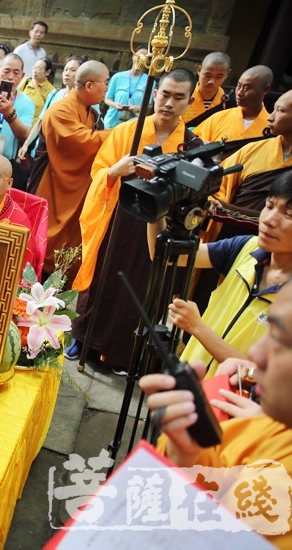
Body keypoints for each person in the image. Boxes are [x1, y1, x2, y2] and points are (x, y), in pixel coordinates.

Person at [139, 267, 292, 549]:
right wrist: (188, 450)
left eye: (282, 341)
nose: (253, 355)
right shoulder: (275, 426)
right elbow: (216, 482)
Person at [68, 69, 201, 375]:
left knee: (140, 286)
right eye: (164, 94)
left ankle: (122, 353)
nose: (169, 102)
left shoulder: (191, 145)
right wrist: (116, 170)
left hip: (157, 226)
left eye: (178, 97)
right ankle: (85, 336)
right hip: (119, 217)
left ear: (189, 101)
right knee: (104, 276)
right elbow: (99, 172)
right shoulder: (128, 130)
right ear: (155, 94)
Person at [149, 167, 292, 379]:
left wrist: (198, 328)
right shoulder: (245, 248)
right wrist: (154, 207)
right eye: (269, 205)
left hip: (234, 409)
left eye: (288, 214)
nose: (269, 219)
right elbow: (167, 255)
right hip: (187, 392)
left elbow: (270, 378)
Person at [26, 60, 109, 273]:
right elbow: (82, 142)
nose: (107, 88)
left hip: (74, 190)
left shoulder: (91, 113)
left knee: (67, 251)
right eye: (105, 83)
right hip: (53, 185)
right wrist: (120, 134)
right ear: (90, 85)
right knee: (43, 243)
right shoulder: (61, 110)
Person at [207, 87, 292, 242]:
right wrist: (215, 203)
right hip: (229, 238)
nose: (270, 118)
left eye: (280, 111)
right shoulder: (253, 150)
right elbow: (216, 184)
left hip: (282, 244)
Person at [18, 55, 83, 166]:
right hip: (41, 152)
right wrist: (26, 144)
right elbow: (40, 122)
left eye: (73, 70)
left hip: (62, 157)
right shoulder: (54, 94)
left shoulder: (84, 101)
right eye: (66, 69)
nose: (67, 73)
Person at [194, 65, 273, 151]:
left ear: (266, 90)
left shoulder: (271, 128)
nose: (239, 93)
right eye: (239, 86)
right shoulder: (219, 117)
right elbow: (193, 143)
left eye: (246, 88)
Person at [102, 46, 149, 129]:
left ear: (148, 61)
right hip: (112, 123)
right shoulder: (118, 77)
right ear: (133, 56)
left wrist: (138, 108)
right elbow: (106, 98)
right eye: (139, 55)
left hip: (133, 124)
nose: (141, 58)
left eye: (145, 56)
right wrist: (115, 105)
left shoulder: (149, 81)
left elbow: (149, 106)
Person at [182, 51, 232, 127]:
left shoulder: (229, 102)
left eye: (218, 77)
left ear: (227, 74)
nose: (211, 81)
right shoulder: (182, 95)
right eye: (208, 75)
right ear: (199, 70)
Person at [17, 56, 55, 125]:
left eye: (39, 69)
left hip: (35, 127)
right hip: (19, 122)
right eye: (34, 67)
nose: (35, 71)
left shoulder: (51, 90)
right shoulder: (26, 81)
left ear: (47, 72)